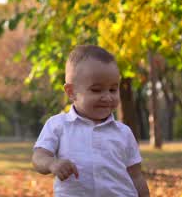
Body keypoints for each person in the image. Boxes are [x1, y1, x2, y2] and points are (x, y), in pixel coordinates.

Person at [32, 45, 150, 196]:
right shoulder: (58, 125)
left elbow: (136, 176)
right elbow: (38, 157)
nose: (107, 97)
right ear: (71, 92)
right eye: (96, 90)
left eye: (113, 90)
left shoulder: (123, 132)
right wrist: (52, 164)